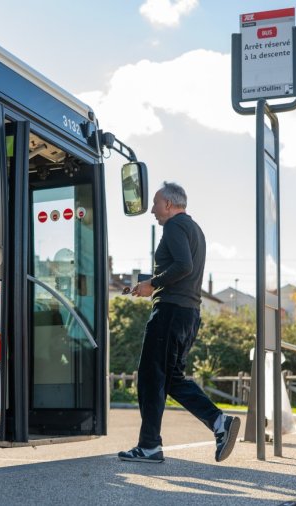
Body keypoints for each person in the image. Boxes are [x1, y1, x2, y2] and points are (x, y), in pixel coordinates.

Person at [118, 182, 240, 464]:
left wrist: (154, 284)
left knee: (151, 377)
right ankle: (219, 422)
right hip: (188, 314)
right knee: (171, 378)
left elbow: (182, 266)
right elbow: (183, 267)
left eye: (156, 204)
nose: (152, 210)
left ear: (170, 205)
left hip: (170, 312)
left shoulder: (174, 226)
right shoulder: (194, 229)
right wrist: (147, 285)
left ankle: (149, 446)